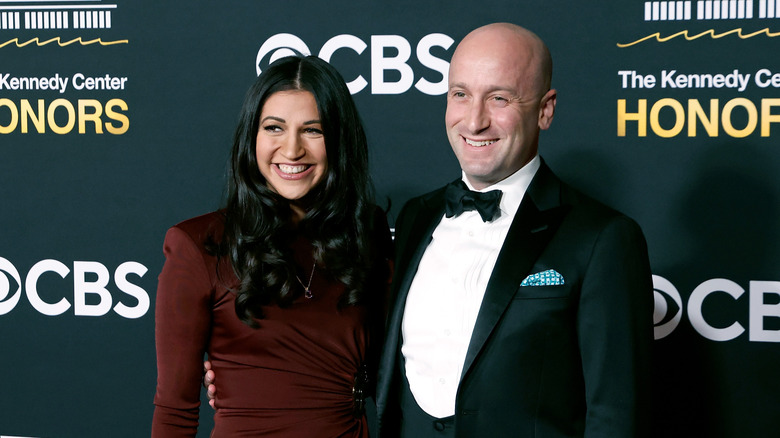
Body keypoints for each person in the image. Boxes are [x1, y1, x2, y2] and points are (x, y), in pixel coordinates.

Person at [374, 23, 653, 437]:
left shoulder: (603, 238)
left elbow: (615, 412)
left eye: (499, 98)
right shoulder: (417, 215)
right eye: (460, 95)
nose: (474, 120)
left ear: (545, 109)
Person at [152, 55, 391, 437]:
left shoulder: (367, 231)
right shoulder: (200, 245)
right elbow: (175, 411)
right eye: (274, 128)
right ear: (252, 137)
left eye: (312, 130)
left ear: (339, 139)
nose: (292, 149)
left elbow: (393, 374)